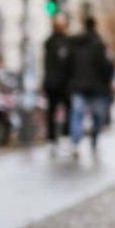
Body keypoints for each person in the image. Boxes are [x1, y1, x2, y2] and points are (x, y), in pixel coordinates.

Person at [67, 16, 114, 158]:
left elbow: (68, 66)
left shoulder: (74, 43)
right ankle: (94, 140)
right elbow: (105, 66)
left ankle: (75, 142)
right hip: (96, 87)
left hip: (78, 86)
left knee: (77, 115)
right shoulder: (98, 44)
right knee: (97, 116)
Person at [42, 13, 73, 154]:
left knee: (59, 111)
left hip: (62, 84)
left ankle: (59, 139)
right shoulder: (53, 42)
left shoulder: (61, 42)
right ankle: (53, 140)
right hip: (57, 84)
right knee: (54, 112)